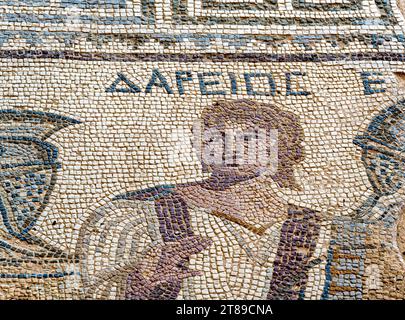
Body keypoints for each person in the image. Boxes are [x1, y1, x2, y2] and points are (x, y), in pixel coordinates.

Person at [82, 100, 320, 300]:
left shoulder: (315, 227)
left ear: (279, 149)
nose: (232, 148)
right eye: (218, 138)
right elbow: (94, 290)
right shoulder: (140, 212)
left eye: (249, 138)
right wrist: (140, 282)